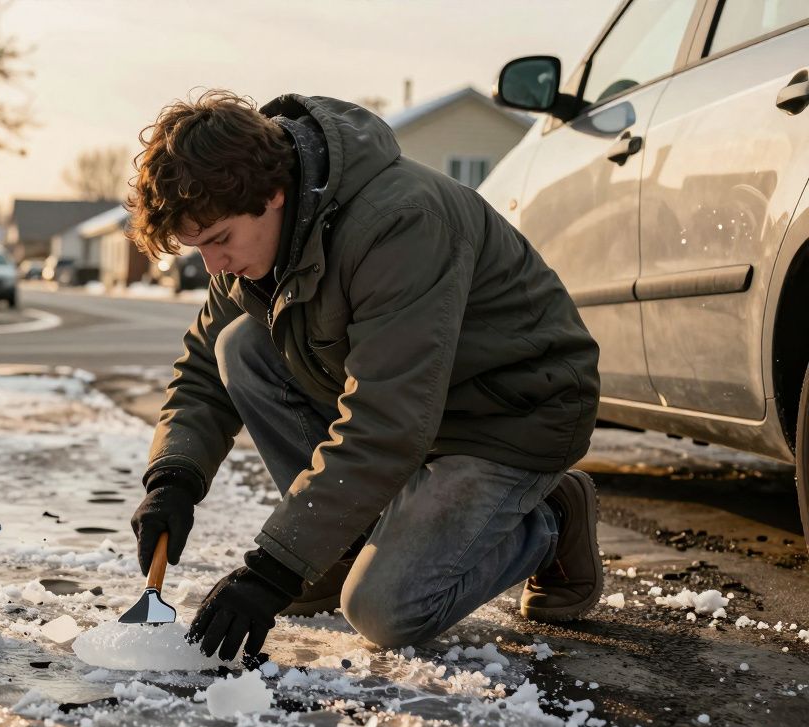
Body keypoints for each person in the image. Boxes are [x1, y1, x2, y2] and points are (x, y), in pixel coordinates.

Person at [126, 90, 602, 662]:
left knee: (386, 611)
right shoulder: (255, 239)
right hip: (418, 409)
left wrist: (273, 569)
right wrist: (172, 480)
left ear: (272, 192)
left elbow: (387, 422)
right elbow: (204, 371)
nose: (213, 265)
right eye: (197, 248)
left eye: (220, 240)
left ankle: (550, 519)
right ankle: (339, 552)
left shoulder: (400, 221)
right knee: (242, 346)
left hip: (509, 414)